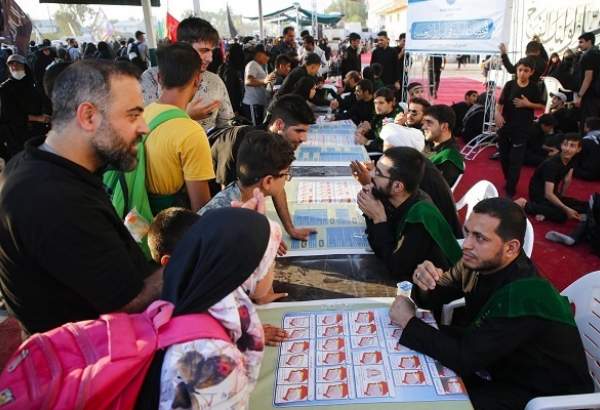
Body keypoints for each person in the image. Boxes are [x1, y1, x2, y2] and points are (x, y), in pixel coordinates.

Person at [0, 60, 160, 335]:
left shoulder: (42, 164)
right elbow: (129, 302)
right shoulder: (54, 200)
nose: (144, 128)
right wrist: (203, 250)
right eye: (133, 115)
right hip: (91, 363)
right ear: (88, 117)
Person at [389, 197, 593, 409]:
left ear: (511, 248)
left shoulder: (525, 296)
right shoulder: (478, 262)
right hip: (501, 362)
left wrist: (409, 321)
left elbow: (464, 359)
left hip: (544, 395)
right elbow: (437, 297)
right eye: (467, 232)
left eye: (480, 238)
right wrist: (425, 281)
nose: (466, 244)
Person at [138, 208, 282, 409]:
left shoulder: (191, 295)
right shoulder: (213, 360)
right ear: (247, 270)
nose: (273, 270)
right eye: (270, 262)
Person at [147, 205, 288, 343]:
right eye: (197, 252)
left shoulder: (203, 275)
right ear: (168, 262)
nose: (210, 255)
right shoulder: (172, 306)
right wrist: (250, 335)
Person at [210, 94, 317, 243]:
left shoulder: (277, 146)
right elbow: (232, 199)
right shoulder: (246, 143)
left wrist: (290, 228)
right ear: (279, 125)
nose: (304, 138)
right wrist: (262, 233)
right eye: (299, 131)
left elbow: (277, 186)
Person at [357, 147, 462, 280]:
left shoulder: (420, 216)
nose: (371, 176)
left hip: (438, 288)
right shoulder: (399, 197)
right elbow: (379, 242)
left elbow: (396, 267)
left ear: (398, 187)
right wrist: (371, 210)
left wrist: (378, 219)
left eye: (378, 173)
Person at [143, 42, 215, 214]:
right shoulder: (191, 133)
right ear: (197, 79)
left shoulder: (143, 115)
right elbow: (201, 208)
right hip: (170, 227)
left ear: (159, 78)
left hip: (138, 220)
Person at [141, 17, 234, 132]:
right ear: (183, 46)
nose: (210, 58)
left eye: (211, 51)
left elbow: (227, 125)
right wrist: (186, 115)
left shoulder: (215, 81)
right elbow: (143, 129)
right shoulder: (151, 78)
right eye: (203, 50)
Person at [495, 57, 545, 197]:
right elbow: (500, 103)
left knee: (516, 160)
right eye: (520, 70)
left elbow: (542, 105)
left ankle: (511, 188)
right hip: (505, 127)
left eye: (526, 71)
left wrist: (528, 104)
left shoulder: (534, 87)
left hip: (522, 129)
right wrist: (497, 115)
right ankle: (508, 180)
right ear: (516, 70)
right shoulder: (510, 85)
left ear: (531, 72)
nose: (522, 73)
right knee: (504, 157)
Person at [515, 133, 587, 223]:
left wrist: (561, 198)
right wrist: (565, 208)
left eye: (572, 146)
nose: (567, 149)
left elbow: (567, 179)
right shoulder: (551, 164)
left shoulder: (572, 159)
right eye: (565, 145)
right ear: (561, 145)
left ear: (578, 149)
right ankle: (526, 205)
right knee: (562, 215)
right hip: (539, 195)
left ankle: (544, 211)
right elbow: (548, 194)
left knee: (582, 205)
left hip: (553, 192)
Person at [0, 54, 50, 159]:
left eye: (17, 64)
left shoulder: (32, 83)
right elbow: (9, 114)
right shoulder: (5, 88)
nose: (14, 67)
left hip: (37, 130)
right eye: (11, 66)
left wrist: (45, 116)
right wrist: (37, 118)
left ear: (25, 66)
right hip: (18, 135)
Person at [422, 104, 464, 187]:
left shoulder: (449, 158)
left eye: (429, 122)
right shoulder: (431, 142)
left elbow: (438, 192)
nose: (423, 127)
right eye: (424, 122)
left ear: (444, 126)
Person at [355, 87, 401, 153]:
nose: (377, 106)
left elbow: (388, 146)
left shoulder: (396, 119)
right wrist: (366, 130)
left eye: (381, 103)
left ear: (391, 103)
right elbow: (375, 132)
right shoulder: (380, 113)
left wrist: (367, 142)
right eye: (375, 103)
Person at [242, 44, 275, 125]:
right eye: (266, 55)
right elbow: (248, 81)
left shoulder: (260, 66)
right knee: (255, 129)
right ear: (259, 54)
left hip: (258, 104)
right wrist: (264, 81)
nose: (268, 58)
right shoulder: (252, 64)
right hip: (253, 104)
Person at [574, 32, 600, 132]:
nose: (579, 45)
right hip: (596, 95)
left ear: (589, 42)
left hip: (590, 96)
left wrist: (580, 96)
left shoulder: (589, 56)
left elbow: (588, 77)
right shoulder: (597, 53)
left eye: (581, 42)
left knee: (589, 123)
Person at [218, 42, 245, 114]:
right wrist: (235, 108)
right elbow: (231, 90)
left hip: (224, 103)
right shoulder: (234, 69)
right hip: (233, 105)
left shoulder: (224, 66)